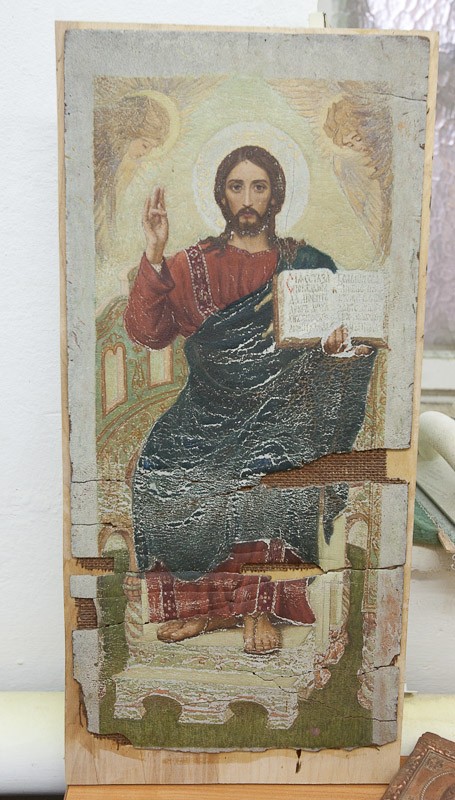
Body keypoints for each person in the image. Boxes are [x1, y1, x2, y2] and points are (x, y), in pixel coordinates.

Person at [124, 145, 375, 654]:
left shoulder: (308, 266)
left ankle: (257, 607)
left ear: (275, 195)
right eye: (236, 186)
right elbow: (148, 333)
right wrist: (153, 252)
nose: (247, 198)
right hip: (206, 409)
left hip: (280, 412)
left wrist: (334, 349)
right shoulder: (192, 264)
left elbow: (344, 343)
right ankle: (201, 607)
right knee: (163, 467)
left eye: (258, 186)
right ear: (221, 195)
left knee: (268, 470)